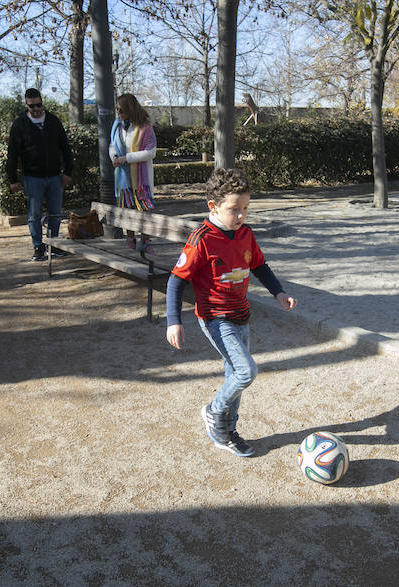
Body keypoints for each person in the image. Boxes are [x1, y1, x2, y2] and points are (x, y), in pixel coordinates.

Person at [166, 168, 297, 457]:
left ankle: (227, 431)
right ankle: (214, 412)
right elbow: (176, 280)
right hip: (215, 317)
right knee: (246, 371)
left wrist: (279, 292)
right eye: (234, 209)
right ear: (213, 206)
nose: (241, 215)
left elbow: (259, 265)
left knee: (233, 375)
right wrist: (173, 321)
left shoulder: (245, 234)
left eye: (245, 208)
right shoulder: (202, 239)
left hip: (241, 314)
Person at [6, 88, 74, 261]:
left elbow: (65, 147)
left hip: (54, 176)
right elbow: (12, 153)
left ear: (42, 103)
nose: (36, 109)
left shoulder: (53, 121)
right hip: (32, 177)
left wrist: (68, 171)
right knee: (34, 214)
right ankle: (38, 247)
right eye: (32, 106)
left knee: (55, 213)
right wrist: (12, 179)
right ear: (26, 105)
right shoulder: (20, 124)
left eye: (39, 105)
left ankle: (53, 244)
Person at [110, 93, 156, 252]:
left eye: (121, 110)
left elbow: (150, 152)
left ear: (130, 109)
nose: (119, 113)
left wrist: (126, 158)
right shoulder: (117, 126)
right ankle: (130, 239)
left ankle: (146, 241)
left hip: (141, 179)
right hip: (123, 177)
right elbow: (112, 145)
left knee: (144, 210)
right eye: (117, 110)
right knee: (127, 207)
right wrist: (114, 157)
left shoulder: (145, 127)